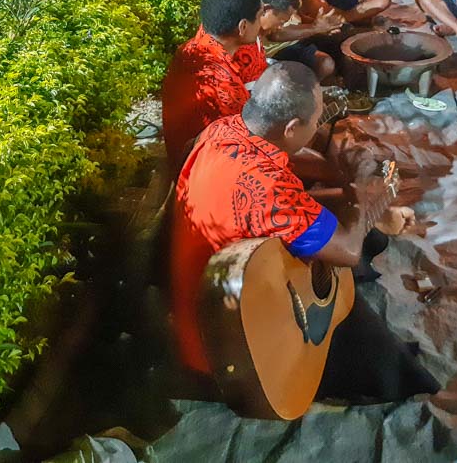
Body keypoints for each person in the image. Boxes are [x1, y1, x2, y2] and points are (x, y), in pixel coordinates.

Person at [167, 63, 437, 401]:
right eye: (315, 122)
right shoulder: (267, 188)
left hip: (208, 310)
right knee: (379, 353)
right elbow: (347, 251)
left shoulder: (223, 131)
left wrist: (367, 206)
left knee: (351, 234)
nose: (317, 129)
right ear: (293, 127)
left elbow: (288, 206)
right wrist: (362, 196)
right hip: (237, 349)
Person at [161, 0, 262, 163]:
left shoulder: (193, 46)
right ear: (242, 27)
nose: (261, 23)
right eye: (259, 15)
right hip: (206, 176)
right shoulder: (224, 83)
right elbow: (251, 147)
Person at [232, 0, 339, 84]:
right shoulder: (242, 39)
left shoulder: (254, 37)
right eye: (282, 21)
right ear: (266, 10)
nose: (280, 28)